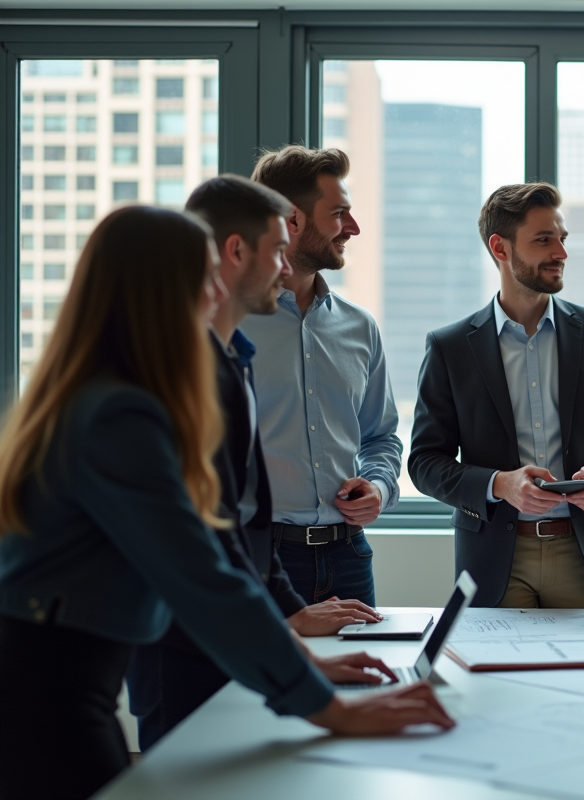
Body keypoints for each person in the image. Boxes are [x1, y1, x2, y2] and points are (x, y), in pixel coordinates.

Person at [0, 207, 453, 800]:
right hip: (46, 690)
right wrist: (330, 709)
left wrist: (306, 667)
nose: (220, 291)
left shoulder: (120, 393)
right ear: (161, 291)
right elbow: (200, 574)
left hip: (63, 677)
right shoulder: (120, 414)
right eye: (206, 276)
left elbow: (221, 546)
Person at [126, 175, 392, 751]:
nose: (285, 268)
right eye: (277, 251)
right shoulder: (170, 377)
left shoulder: (231, 361)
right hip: (168, 640)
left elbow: (239, 527)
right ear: (236, 252)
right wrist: (320, 696)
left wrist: (297, 642)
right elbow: (206, 552)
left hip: (309, 565)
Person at [408, 183, 584, 608]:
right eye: (543, 240)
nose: (561, 252)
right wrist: (499, 485)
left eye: (562, 238)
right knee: (494, 676)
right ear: (500, 248)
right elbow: (425, 462)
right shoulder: (450, 347)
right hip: (493, 561)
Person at [242, 146, 403, 608]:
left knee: (362, 680)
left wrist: (379, 486)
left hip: (349, 555)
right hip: (260, 559)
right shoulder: (228, 326)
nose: (352, 228)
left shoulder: (360, 326)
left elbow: (382, 437)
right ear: (291, 218)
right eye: (338, 214)